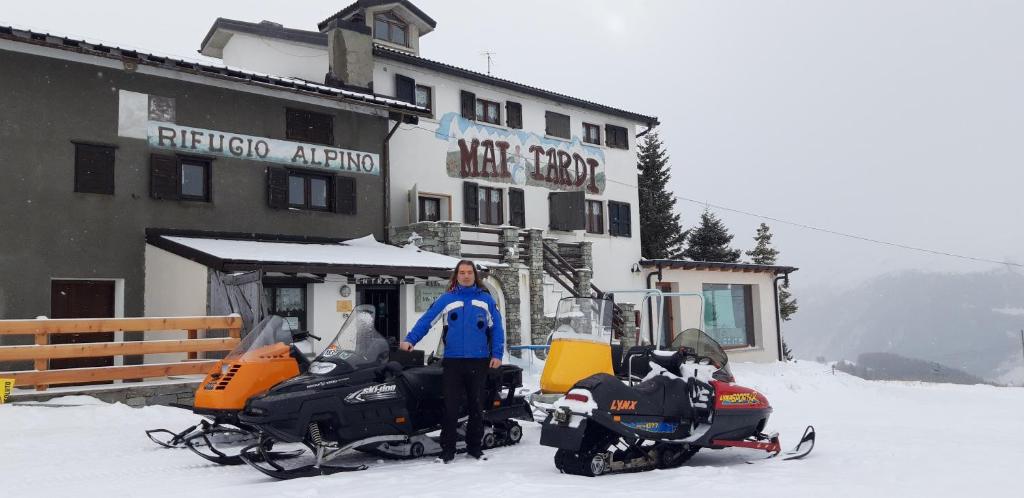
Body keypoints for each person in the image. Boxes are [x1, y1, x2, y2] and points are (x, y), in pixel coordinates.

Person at [400, 260, 504, 463]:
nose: (465, 276)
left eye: (469, 273)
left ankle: (475, 448)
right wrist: (410, 340)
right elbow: (427, 320)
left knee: (476, 406)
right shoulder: (447, 299)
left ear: (475, 276)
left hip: (479, 361)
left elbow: (497, 329)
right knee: (450, 406)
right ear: (456, 276)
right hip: (453, 362)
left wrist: (497, 355)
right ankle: (447, 451)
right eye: (462, 272)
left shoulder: (486, 300)